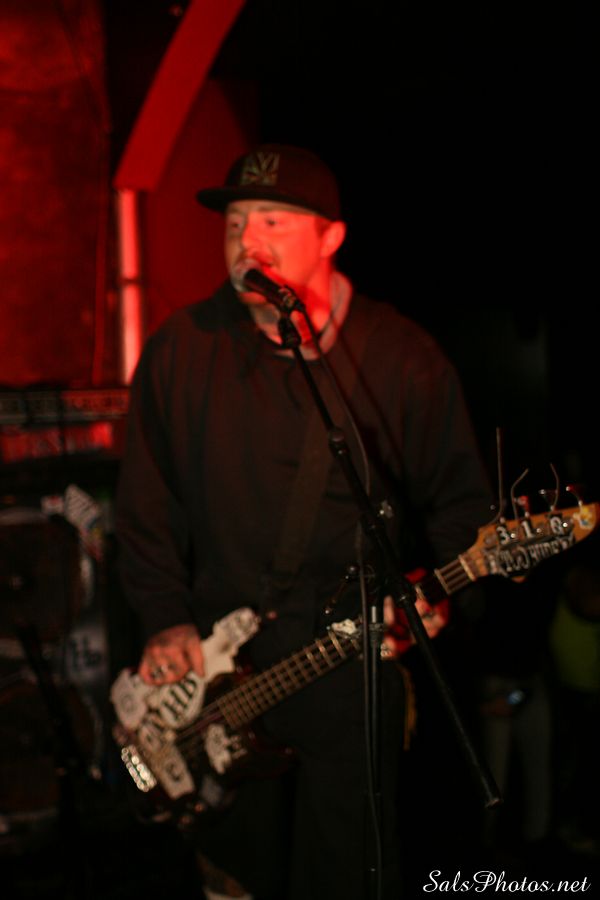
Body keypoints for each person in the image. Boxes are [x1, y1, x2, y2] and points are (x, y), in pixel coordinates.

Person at [114, 143, 493, 899]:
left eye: (273, 221)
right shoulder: (182, 349)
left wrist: (437, 596)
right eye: (235, 224)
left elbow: (464, 509)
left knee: (346, 870)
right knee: (233, 874)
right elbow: (144, 505)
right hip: (218, 681)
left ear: (331, 237)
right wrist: (164, 619)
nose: (247, 242)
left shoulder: (402, 359)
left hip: (348, 673)